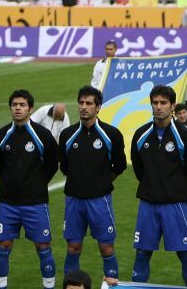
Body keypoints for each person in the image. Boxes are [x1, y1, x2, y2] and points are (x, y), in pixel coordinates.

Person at [130, 85, 187, 287]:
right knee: (142, 254)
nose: (159, 107)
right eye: (155, 103)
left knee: (186, 254)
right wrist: (152, 185)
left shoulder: (185, 137)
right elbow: (138, 168)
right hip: (148, 204)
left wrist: (176, 187)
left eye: (163, 103)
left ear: (172, 106)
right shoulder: (141, 134)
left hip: (175, 205)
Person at [0, 89, 59, 289]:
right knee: (3, 246)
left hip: (35, 203)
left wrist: (37, 183)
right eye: (14, 105)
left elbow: (52, 164)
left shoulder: (42, 135)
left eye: (22, 105)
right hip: (8, 204)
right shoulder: (1, 135)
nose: (18, 108)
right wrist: (11, 182)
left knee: (43, 247)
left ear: (30, 108)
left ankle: (49, 286)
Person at [58, 86, 127, 281]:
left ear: (98, 107)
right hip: (74, 200)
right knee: (73, 247)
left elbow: (119, 165)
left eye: (88, 103)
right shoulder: (67, 135)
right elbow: (64, 166)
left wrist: (102, 181)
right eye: (81, 103)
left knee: (106, 248)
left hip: (100, 201)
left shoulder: (111, 134)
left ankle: (111, 286)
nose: (83, 107)